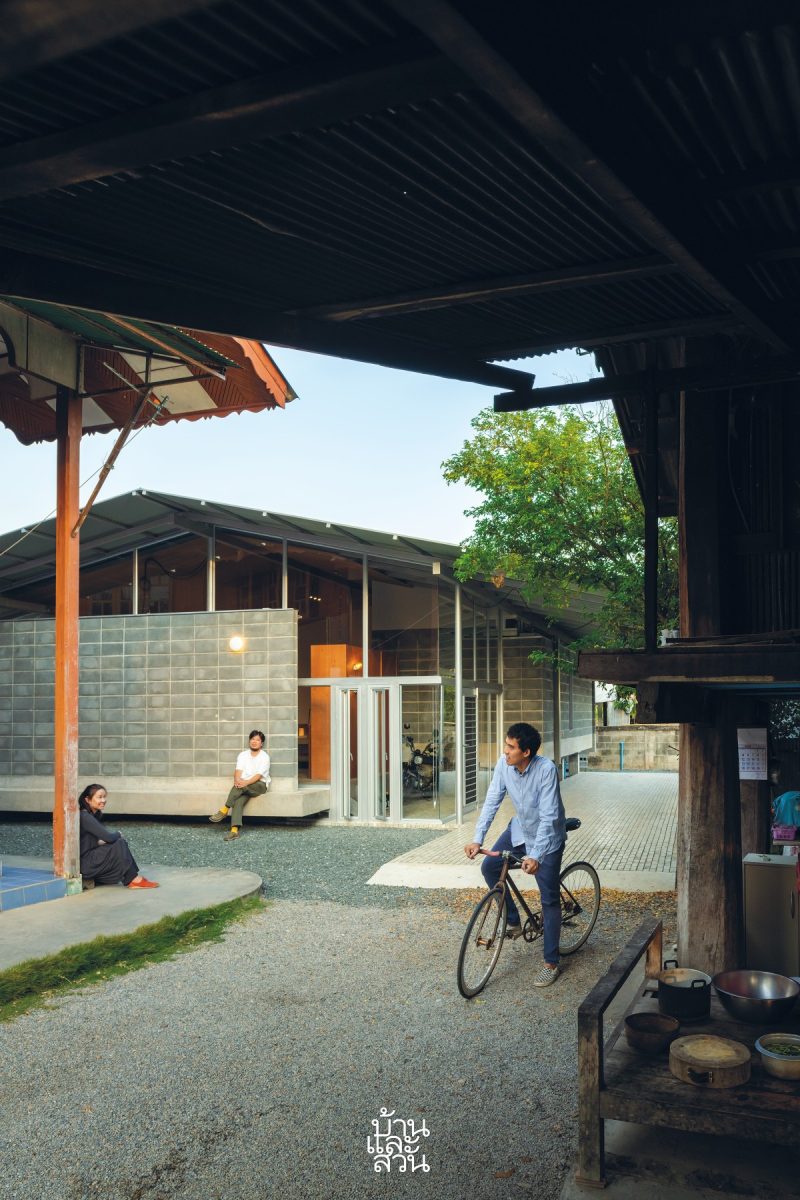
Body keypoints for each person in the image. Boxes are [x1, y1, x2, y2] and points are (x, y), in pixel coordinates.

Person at [464, 722, 566, 987]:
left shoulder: (546, 770)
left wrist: (535, 856)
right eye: (506, 745)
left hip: (547, 840)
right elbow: (492, 801)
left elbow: (549, 817)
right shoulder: (504, 765)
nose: (505, 751)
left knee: (549, 899)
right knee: (489, 867)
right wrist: (477, 838)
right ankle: (513, 921)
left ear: (526, 752)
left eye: (511, 747)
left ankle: (551, 963)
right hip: (520, 831)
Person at [79, 784, 158, 889]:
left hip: (88, 859)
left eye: (104, 797)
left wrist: (106, 841)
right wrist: (118, 834)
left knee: (120, 843)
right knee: (119, 843)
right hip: (85, 864)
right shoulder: (85, 817)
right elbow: (109, 837)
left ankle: (134, 878)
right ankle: (134, 879)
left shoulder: (89, 816)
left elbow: (89, 841)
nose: (103, 800)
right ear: (87, 800)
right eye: (99, 797)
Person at [209, 729, 270, 841]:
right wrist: (237, 781)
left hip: (259, 785)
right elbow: (238, 771)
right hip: (243, 786)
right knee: (238, 801)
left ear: (261, 743)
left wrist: (244, 783)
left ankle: (224, 809)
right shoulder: (243, 755)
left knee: (242, 787)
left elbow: (258, 776)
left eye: (257, 740)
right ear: (249, 741)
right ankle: (234, 831)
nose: (254, 741)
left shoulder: (265, 757)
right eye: (252, 739)